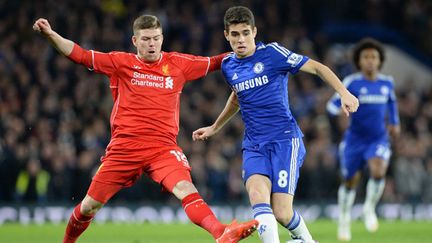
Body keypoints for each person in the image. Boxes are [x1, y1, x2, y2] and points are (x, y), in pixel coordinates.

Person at [33, 15, 258, 243]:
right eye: (146, 39)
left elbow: (215, 62)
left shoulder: (178, 64)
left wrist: (251, 49)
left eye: (156, 38)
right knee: (89, 206)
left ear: (162, 39)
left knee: (185, 187)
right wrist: (51, 36)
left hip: (162, 148)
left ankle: (221, 232)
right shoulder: (120, 62)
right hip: (124, 149)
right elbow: (79, 54)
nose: (152, 44)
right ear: (135, 41)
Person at [192, 6, 359, 243]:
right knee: (257, 197)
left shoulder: (273, 54)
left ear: (255, 32)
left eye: (246, 33)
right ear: (226, 35)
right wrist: (215, 127)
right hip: (253, 145)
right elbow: (237, 96)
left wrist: (344, 92)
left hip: (284, 141)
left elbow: (318, 68)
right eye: (235, 34)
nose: (241, 39)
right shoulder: (228, 65)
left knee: (282, 213)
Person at [326, 38, 400, 241]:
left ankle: (369, 208)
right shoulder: (352, 82)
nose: (370, 60)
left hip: (378, 139)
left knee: (378, 170)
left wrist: (395, 122)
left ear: (379, 60)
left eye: (373, 57)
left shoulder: (387, 83)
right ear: (359, 61)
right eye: (365, 57)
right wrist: (340, 115)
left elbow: (392, 103)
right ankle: (344, 218)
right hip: (354, 141)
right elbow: (331, 106)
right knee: (350, 181)